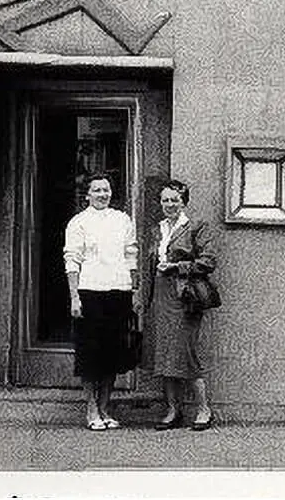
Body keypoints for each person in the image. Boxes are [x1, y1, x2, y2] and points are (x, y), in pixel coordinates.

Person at [64, 173, 139, 431]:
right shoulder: (78, 222)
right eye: (97, 190)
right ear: (87, 194)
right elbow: (72, 260)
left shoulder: (122, 220)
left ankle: (106, 406)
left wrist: (134, 290)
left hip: (119, 291)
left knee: (113, 352)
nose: (102, 194)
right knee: (90, 352)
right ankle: (91, 408)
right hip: (89, 292)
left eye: (106, 190)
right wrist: (75, 296)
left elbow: (131, 255)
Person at [144, 179, 219, 431]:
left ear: (184, 202)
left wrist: (177, 266)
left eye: (174, 200)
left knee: (185, 352)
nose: (169, 204)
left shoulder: (196, 226)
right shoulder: (158, 228)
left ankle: (203, 409)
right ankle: (173, 410)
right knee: (164, 353)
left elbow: (208, 261)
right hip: (161, 295)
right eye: (165, 200)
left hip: (184, 295)